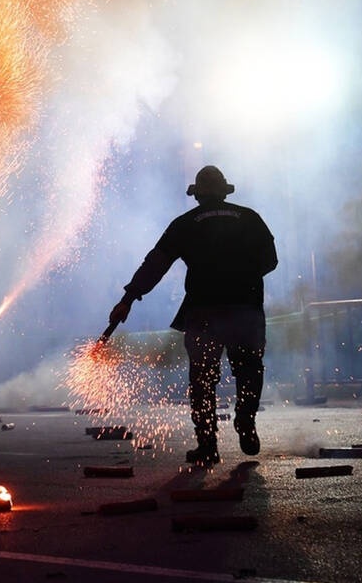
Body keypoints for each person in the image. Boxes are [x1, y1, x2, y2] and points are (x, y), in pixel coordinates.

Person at [109, 166, 277, 466]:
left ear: (197, 195)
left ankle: (208, 444)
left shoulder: (184, 224)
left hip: (203, 312)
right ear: (225, 192)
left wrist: (128, 299)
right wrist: (241, 278)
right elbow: (270, 261)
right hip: (245, 309)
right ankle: (246, 422)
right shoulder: (250, 218)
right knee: (249, 370)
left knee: (202, 378)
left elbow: (155, 265)